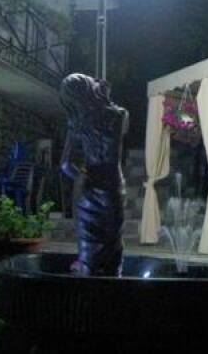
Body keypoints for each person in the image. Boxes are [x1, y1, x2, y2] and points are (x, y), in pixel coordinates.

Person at [59, 73, 128, 276]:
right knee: (113, 246)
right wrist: (105, 96)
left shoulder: (77, 123)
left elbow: (65, 165)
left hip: (88, 189)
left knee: (88, 252)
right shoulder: (118, 115)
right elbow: (122, 122)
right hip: (112, 186)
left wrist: (82, 176)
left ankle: (87, 288)